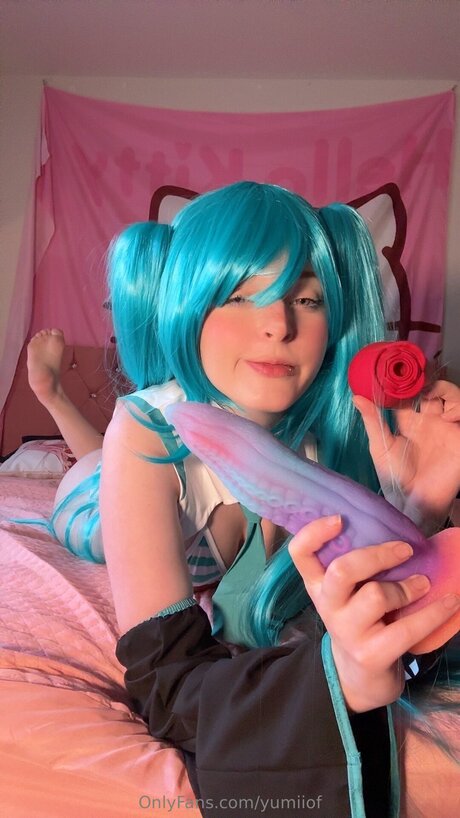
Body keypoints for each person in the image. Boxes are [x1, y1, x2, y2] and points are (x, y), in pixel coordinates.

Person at [26, 182, 460, 818]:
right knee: (90, 482)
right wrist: (336, 678)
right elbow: (165, 682)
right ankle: (55, 397)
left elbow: (370, 599)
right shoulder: (149, 426)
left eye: (306, 298)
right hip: (93, 498)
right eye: (237, 295)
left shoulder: (329, 433)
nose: (278, 324)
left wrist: (412, 507)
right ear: (186, 305)